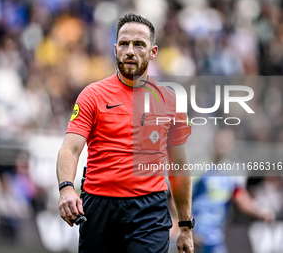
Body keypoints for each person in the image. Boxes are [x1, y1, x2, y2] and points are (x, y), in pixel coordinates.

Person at [57, 13, 194, 253]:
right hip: (99, 207)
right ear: (115, 48)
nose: (130, 51)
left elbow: (179, 166)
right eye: (124, 44)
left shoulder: (171, 101)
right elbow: (71, 148)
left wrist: (185, 226)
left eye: (139, 44)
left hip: (149, 210)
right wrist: (67, 188)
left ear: (153, 52)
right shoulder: (93, 95)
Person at [192, 128, 275, 253]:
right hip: (195, 236)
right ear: (213, 141)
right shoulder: (198, 169)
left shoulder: (231, 173)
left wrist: (261, 212)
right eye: (220, 140)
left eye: (226, 141)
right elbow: (178, 201)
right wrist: (187, 230)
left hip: (216, 238)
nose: (222, 144)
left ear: (232, 145)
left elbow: (241, 199)